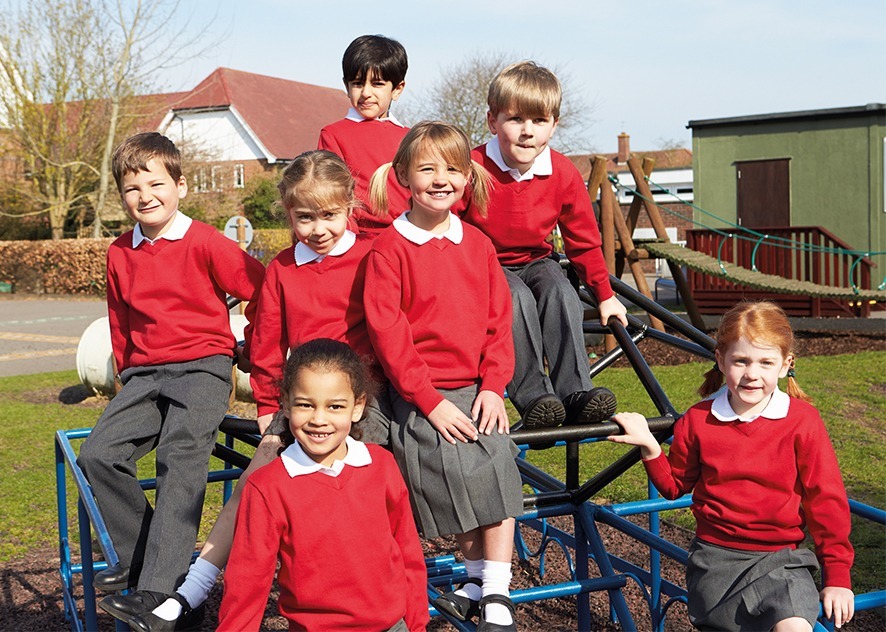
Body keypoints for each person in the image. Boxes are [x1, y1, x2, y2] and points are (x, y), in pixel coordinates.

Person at [128, 150, 392, 632]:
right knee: (254, 487)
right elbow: (268, 346)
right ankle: (192, 589)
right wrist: (272, 411)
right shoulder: (284, 270)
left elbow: (393, 328)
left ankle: (363, 594)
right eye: (304, 217)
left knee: (359, 485)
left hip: (359, 401)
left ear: (350, 207)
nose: (318, 229)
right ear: (288, 214)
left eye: (330, 216)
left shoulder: (375, 255)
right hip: (302, 404)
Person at [76, 132, 265, 626]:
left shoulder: (205, 241)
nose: (145, 196)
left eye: (156, 184)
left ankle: (159, 588)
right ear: (122, 195)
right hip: (144, 373)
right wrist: (124, 373)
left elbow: (264, 290)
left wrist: (251, 349)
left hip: (202, 366)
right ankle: (144, 557)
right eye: (132, 189)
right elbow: (120, 318)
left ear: (180, 185)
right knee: (99, 454)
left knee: (179, 462)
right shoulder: (121, 251)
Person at [610, 301, 855, 632]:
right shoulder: (698, 419)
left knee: (796, 625)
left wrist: (837, 575)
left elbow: (826, 499)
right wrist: (650, 446)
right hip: (715, 562)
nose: (752, 374)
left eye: (766, 362)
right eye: (741, 361)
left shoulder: (802, 421)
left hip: (782, 561)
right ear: (721, 361)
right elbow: (673, 486)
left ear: (785, 365)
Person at [365, 121, 521, 631]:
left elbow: (500, 324)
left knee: (495, 460)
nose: (440, 179)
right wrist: (429, 402)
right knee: (452, 469)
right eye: (427, 168)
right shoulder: (390, 249)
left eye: (452, 169)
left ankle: (494, 588)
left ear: (467, 178)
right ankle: (475, 578)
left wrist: (495, 387)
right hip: (421, 393)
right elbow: (390, 335)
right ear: (404, 178)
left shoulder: (477, 244)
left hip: (476, 388)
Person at [217, 338, 429, 631]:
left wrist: (417, 623)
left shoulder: (381, 465)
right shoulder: (267, 487)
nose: (319, 419)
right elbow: (247, 580)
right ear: (286, 405)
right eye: (305, 404)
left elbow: (407, 550)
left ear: (357, 407)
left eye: (335, 406)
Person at [462, 61, 628, 429]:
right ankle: (534, 395)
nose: (527, 132)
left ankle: (575, 392)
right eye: (516, 119)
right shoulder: (472, 167)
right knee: (516, 297)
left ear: (554, 125)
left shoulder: (562, 172)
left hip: (536, 259)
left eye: (539, 122)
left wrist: (604, 294)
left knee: (559, 289)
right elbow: (448, 221)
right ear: (493, 122)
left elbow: (584, 240)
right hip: (485, 265)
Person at [318, 34, 411, 234]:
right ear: (347, 86)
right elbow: (331, 195)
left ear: (397, 89)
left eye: (377, 84)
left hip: (408, 237)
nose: (366, 92)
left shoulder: (412, 138)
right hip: (358, 238)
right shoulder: (334, 134)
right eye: (358, 83)